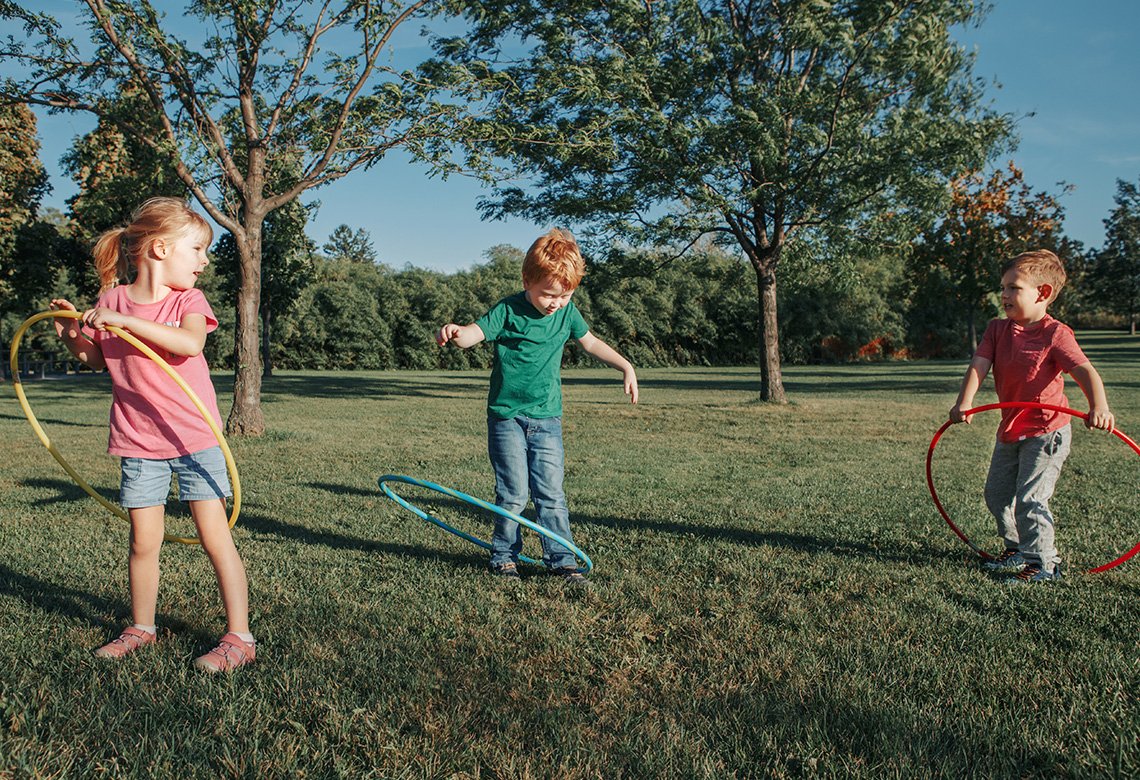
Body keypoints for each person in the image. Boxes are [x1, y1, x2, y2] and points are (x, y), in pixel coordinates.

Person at [51, 197, 255, 671]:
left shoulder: (187, 302)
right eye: (198, 250)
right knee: (143, 541)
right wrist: (72, 334)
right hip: (139, 439)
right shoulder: (111, 300)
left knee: (214, 536)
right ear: (161, 249)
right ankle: (141, 627)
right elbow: (99, 360)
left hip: (193, 438)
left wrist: (126, 322)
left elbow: (189, 343)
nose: (205, 261)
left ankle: (240, 637)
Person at [437, 228, 638, 584]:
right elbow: (473, 334)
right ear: (527, 280)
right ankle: (504, 558)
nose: (555, 303)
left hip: (547, 419)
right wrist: (456, 333)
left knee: (551, 493)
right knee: (513, 493)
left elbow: (591, 343)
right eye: (548, 294)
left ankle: (562, 561)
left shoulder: (567, 313)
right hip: (507, 418)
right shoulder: (508, 310)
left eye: (565, 295)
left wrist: (626, 365)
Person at [949, 249, 1114, 583]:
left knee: (1031, 498)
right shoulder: (997, 329)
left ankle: (1043, 564)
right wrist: (964, 401)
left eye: (1014, 288)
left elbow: (1084, 371)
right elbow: (979, 365)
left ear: (1043, 293)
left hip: (1046, 432)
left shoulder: (1055, 334)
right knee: (996, 495)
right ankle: (1016, 549)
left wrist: (1099, 406)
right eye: (1003, 287)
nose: (1004, 294)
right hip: (1010, 428)